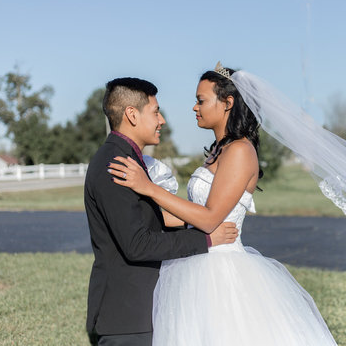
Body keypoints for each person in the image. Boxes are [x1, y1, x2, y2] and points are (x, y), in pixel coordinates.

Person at [107, 66, 339, 345]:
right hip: (194, 262)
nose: (194, 107)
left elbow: (208, 219)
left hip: (222, 271)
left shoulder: (240, 151)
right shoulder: (218, 150)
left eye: (201, 100)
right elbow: (192, 217)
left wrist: (148, 188)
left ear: (227, 103)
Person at [84, 77, 239, 346]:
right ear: (132, 115)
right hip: (127, 318)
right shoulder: (116, 166)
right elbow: (138, 244)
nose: (162, 120)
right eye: (155, 112)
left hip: (142, 313)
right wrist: (206, 239)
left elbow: (149, 220)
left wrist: (199, 219)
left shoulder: (129, 160)